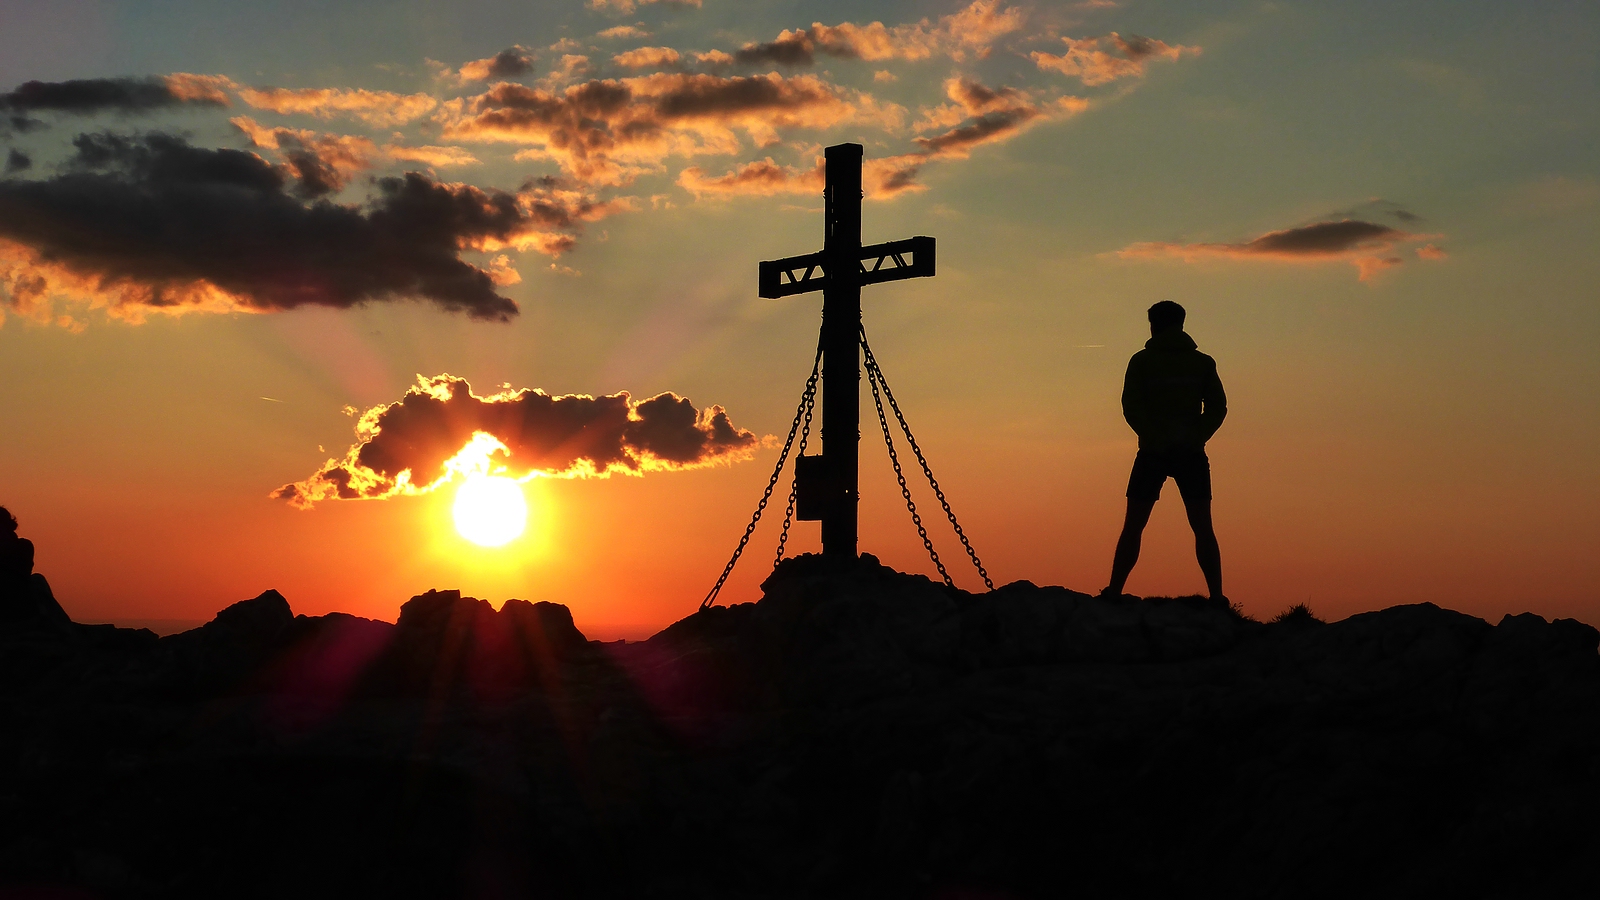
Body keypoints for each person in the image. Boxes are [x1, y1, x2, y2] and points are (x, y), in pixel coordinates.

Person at [1102, 301, 1227, 601]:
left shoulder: (1142, 361)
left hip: (1152, 453)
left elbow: (1131, 406)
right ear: (1181, 324)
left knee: (1133, 526)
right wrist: (1196, 436)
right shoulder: (1202, 363)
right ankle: (1217, 598)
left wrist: (1153, 435)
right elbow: (1217, 408)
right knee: (1202, 527)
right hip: (1191, 453)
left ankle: (1114, 592)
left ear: (1154, 325)